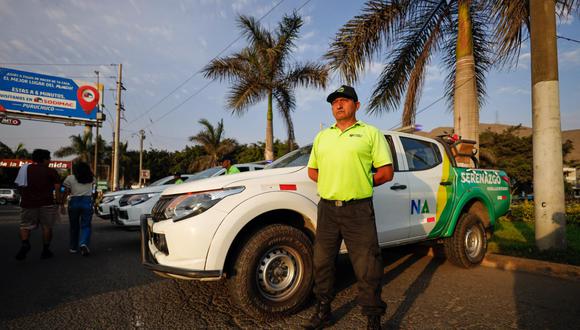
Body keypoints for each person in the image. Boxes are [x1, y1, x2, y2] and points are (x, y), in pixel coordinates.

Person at [304, 85, 394, 330]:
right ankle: (323, 311)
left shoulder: (370, 133)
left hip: (358, 210)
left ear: (357, 105)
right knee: (322, 262)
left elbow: (386, 172)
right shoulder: (322, 136)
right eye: (334, 102)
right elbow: (313, 170)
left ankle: (373, 318)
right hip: (328, 210)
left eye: (344, 100)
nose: (339, 105)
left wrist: (359, 180)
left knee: (367, 266)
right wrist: (332, 182)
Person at [15, 149, 62, 260]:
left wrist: (24, 196)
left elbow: (19, 185)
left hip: (28, 203)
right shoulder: (50, 171)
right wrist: (59, 201)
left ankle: (25, 243)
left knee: (25, 225)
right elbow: (57, 187)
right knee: (46, 227)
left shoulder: (24, 169)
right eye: (49, 158)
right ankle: (45, 250)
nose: (50, 161)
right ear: (44, 159)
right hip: (46, 203)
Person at [62, 162, 95, 256]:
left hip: (74, 202)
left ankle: (73, 247)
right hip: (87, 202)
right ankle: (83, 243)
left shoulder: (70, 178)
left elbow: (66, 191)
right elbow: (93, 190)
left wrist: (61, 204)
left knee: (74, 226)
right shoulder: (91, 178)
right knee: (86, 225)